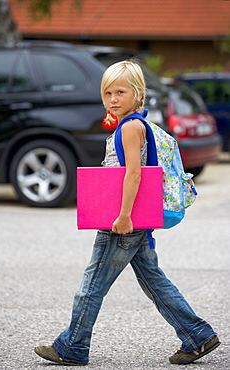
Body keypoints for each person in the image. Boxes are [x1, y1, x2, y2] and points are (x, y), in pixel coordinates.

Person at [34, 61, 220, 366]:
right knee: (154, 281)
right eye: (107, 92)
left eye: (120, 91)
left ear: (138, 93)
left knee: (91, 285)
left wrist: (122, 216)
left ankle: (72, 346)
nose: (113, 99)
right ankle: (198, 336)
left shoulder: (131, 127)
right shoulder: (134, 125)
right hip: (135, 220)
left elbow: (133, 175)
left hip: (123, 221)